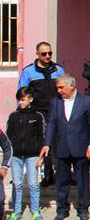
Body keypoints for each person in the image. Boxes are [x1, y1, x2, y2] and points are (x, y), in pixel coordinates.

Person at [40, 74, 90, 220]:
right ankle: (62, 209)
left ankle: (83, 208)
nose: (58, 90)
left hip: (81, 147)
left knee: (82, 180)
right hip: (61, 147)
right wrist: (47, 144)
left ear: (71, 86)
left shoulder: (86, 101)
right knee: (61, 181)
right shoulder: (55, 102)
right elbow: (51, 123)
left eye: (61, 87)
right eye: (57, 87)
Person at [18, 41, 64, 186]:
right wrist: (22, 114)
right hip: (39, 113)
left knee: (62, 143)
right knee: (44, 144)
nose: (48, 56)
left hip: (58, 112)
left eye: (50, 53)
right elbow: (22, 94)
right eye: (44, 54)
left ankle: (64, 174)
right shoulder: (29, 72)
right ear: (37, 54)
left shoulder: (58, 70)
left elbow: (66, 89)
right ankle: (47, 176)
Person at [7, 88, 42, 220]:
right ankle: (16, 212)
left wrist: (41, 156)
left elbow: (41, 138)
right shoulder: (13, 116)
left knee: (33, 184)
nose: (20, 102)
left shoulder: (37, 116)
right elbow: (8, 137)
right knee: (17, 184)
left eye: (22, 99)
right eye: (19, 100)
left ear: (30, 99)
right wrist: (8, 156)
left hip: (32, 155)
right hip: (16, 156)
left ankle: (35, 211)